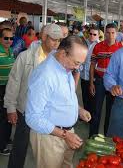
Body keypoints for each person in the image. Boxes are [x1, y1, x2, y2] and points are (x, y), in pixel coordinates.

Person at [25, 36, 91, 168]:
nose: (78, 67)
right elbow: (33, 117)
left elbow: (61, 97)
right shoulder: (45, 75)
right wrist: (65, 135)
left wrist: (77, 109)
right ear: (62, 53)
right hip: (49, 138)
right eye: (77, 63)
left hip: (66, 134)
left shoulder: (65, 67)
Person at [4, 24, 64, 168]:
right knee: (20, 146)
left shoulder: (58, 60)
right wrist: (11, 107)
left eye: (59, 40)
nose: (56, 43)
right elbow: (14, 81)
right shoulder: (25, 57)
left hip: (47, 112)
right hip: (26, 110)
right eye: (53, 39)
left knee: (45, 149)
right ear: (43, 37)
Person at [89, 23, 123, 137]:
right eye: (108, 32)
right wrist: (91, 83)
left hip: (113, 84)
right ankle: (92, 136)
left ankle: (107, 137)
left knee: (110, 112)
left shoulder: (121, 49)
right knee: (96, 111)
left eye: (113, 33)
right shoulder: (98, 47)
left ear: (116, 34)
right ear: (104, 33)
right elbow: (92, 65)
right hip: (99, 81)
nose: (110, 35)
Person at [0, 28, 15, 155]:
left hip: (8, 88)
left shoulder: (10, 51)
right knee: (3, 117)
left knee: (8, 115)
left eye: (11, 38)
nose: (9, 41)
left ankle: (6, 138)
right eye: (6, 38)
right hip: (0, 88)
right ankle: (1, 146)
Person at [80, 26, 99, 113]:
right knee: (84, 96)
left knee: (92, 98)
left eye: (94, 34)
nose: (92, 36)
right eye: (90, 34)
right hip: (83, 75)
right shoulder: (84, 43)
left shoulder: (99, 45)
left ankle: (91, 115)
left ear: (98, 35)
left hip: (93, 77)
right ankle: (85, 113)